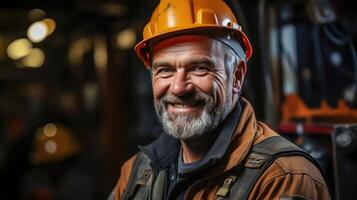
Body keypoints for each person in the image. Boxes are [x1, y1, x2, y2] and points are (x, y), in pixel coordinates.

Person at [109, 0, 331, 199]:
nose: (178, 87)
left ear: (236, 77)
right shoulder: (137, 172)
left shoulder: (282, 178)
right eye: (165, 70)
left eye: (199, 68)